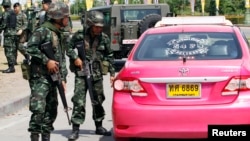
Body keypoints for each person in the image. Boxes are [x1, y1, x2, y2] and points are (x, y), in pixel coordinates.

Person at [26, 2, 78, 141]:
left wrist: (63, 77)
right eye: (66, 16)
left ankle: (46, 137)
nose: (68, 19)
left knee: (51, 109)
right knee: (38, 110)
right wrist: (46, 60)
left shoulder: (58, 32)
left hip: (54, 78)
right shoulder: (43, 30)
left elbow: (61, 57)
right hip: (40, 78)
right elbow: (30, 47)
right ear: (58, 17)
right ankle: (35, 136)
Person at [67, 10, 116, 141]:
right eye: (96, 26)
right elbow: (69, 47)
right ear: (90, 24)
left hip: (97, 74)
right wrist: (75, 57)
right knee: (78, 101)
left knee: (98, 100)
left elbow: (110, 56)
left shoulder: (104, 38)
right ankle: (75, 129)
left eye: (101, 26)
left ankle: (99, 126)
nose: (99, 29)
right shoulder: (79, 35)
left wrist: (112, 73)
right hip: (82, 73)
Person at [0, 0, 17, 73]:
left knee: (8, 51)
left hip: (8, 34)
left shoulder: (6, 13)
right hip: (13, 33)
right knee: (12, 49)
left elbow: (3, 25)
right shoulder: (13, 12)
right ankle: (12, 65)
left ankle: (11, 67)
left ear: (4, 5)